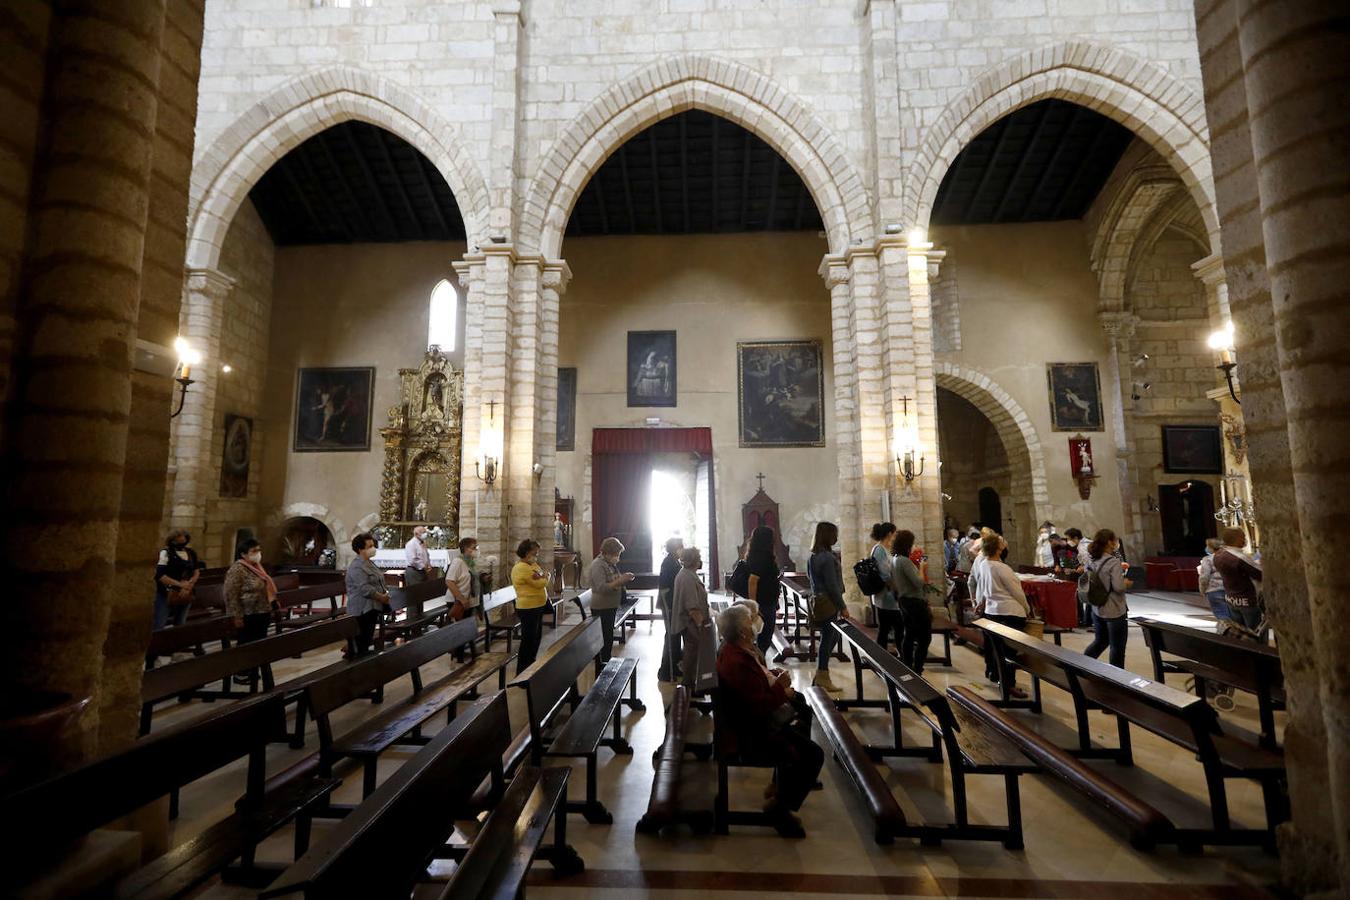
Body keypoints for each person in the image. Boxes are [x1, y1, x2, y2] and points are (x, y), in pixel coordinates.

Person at [714, 603, 824, 837]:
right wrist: (781, 689)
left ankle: (781, 790)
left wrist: (772, 678)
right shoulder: (737, 661)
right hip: (751, 734)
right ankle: (778, 809)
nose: (755, 622)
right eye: (749, 621)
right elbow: (758, 706)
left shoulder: (735, 651)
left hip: (753, 724)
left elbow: (753, 690)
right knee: (813, 755)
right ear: (743, 632)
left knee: (802, 723)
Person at [971, 533, 1031, 697]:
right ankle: (1008, 684)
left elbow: (982, 587)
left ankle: (996, 675)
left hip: (992, 611)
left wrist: (981, 604)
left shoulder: (984, 564)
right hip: (1009, 611)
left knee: (996, 648)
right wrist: (1027, 609)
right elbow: (1016, 592)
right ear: (998, 548)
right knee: (1010, 651)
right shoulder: (1002, 568)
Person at [224, 539, 278, 684]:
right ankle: (240, 673)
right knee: (245, 644)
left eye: (258, 550)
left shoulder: (257, 567)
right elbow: (231, 594)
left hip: (262, 612)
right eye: (254, 551)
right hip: (247, 613)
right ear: (243, 554)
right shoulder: (237, 569)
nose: (258, 554)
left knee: (259, 644)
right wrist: (236, 616)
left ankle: (252, 671)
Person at [806, 521, 848, 692]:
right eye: (834, 534)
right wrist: (843, 606)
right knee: (828, 638)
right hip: (828, 602)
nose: (836, 537)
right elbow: (832, 586)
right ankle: (823, 675)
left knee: (833, 637)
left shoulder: (813, 556)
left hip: (819, 600)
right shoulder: (827, 558)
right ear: (828, 536)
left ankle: (820, 672)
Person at [1082, 528, 1131, 668]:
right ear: (1109, 542)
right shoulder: (1113, 562)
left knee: (1100, 641)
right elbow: (1118, 587)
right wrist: (1125, 583)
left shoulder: (1091, 560)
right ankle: (1117, 679)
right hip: (1114, 609)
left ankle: (1083, 665)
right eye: (1115, 540)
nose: (1116, 543)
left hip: (1097, 607)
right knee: (1117, 648)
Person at [890, 530, 932, 675]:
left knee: (909, 634)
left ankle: (907, 666)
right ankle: (917, 669)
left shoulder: (895, 559)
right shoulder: (904, 561)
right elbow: (918, 582)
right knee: (925, 637)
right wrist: (922, 568)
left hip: (904, 600)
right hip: (914, 602)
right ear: (907, 544)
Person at [588, 537, 635, 664]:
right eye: (616, 554)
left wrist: (623, 578)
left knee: (608, 637)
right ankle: (603, 664)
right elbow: (601, 587)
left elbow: (613, 579)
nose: (618, 557)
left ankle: (606, 661)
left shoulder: (609, 564)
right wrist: (620, 580)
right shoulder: (598, 565)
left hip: (609, 605)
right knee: (605, 638)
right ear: (607, 552)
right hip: (602, 607)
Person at [670, 546, 710, 690]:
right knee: (692, 653)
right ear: (694, 560)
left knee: (692, 651)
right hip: (690, 623)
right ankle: (689, 683)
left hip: (689, 622)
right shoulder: (687, 577)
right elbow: (692, 607)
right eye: (698, 558)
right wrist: (702, 626)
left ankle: (691, 682)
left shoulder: (687, 573)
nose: (700, 561)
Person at [345, 532, 391, 657]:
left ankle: (361, 658)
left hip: (372, 607)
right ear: (360, 549)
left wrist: (385, 593)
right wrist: (382, 597)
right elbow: (365, 589)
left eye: (373, 546)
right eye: (369, 546)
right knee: (361, 641)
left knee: (366, 639)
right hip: (362, 609)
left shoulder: (369, 563)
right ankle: (354, 661)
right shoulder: (357, 567)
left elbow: (379, 580)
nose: (373, 549)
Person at [1212, 527, 1264, 636]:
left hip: (1231, 599)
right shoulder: (1239, 558)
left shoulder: (1218, 555)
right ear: (1238, 539)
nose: (1245, 540)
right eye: (1244, 537)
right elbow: (1260, 575)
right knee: (1255, 635)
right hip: (1247, 600)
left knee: (1239, 633)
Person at [511, 539, 550, 673]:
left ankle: (530, 666)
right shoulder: (521, 568)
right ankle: (521, 672)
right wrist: (546, 577)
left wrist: (542, 576)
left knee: (536, 638)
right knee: (528, 640)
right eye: (535, 553)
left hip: (537, 605)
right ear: (527, 553)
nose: (537, 555)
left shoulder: (532, 565)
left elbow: (540, 575)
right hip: (528, 608)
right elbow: (540, 583)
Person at [154, 529, 202, 633]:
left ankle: (177, 644)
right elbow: (160, 575)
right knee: (159, 623)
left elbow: (196, 571)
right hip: (166, 592)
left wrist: (190, 584)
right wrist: (180, 585)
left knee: (180, 623)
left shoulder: (191, 553)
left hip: (186, 592)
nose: (181, 543)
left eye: (183, 540)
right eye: (178, 541)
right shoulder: (165, 553)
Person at [744, 525, 781, 654]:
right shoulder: (762, 557)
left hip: (767, 601)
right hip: (763, 603)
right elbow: (752, 581)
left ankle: (760, 666)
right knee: (764, 638)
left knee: (765, 638)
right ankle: (760, 667)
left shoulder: (759, 555)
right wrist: (754, 607)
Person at [869, 522, 901, 652]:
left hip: (888, 595)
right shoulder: (879, 550)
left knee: (888, 628)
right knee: (893, 628)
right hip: (886, 595)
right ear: (889, 534)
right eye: (895, 533)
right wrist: (896, 590)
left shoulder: (883, 548)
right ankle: (899, 657)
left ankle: (886, 655)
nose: (895, 536)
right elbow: (884, 574)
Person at [657, 537, 685, 682]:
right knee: (671, 637)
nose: (682, 549)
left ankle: (675, 666)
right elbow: (669, 586)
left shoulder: (673, 561)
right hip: (670, 604)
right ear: (675, 548)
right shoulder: (669, 563)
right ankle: (666, 671)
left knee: (675, 637)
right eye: (681, 547)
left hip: (673, 604)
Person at [1197, 537, 1230, 630]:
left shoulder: (1207, 559)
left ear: (1211, 547)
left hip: (1214, 590)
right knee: (1232, 617)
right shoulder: (1228, 557)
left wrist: (1202, 589)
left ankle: (1226, 638)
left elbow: (1204, 577)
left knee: (1222, 618)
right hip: (1229, 589)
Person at [444, 536, 480, 622]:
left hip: (470, 600)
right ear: (466, 549)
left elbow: (472, 578)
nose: (476, 550)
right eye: (474, 548)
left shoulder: (471, 562)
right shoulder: (458, 562)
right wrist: (461, 599)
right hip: (458, 601)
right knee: (460, 630)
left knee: (468, 628)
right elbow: (449, 581)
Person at [404, 525, 431, 596]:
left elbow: (426, 555)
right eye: (423, 532)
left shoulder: (422, 543)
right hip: (414, 571)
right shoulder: (411, 544)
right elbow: (413, 560)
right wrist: (423, 566)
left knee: (421, 595)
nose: (425, 534)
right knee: (414, 595)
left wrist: (428, 564)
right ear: (416, 534)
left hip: (422, 571)